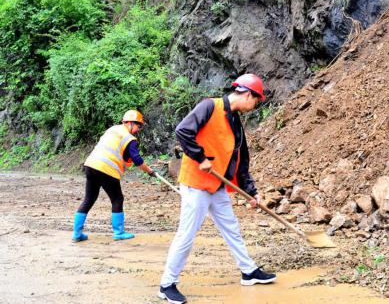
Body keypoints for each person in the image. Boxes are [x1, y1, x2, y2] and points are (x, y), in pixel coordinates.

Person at [158, 74, 276, 304]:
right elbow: (183, 131)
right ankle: (167, 284)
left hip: (218, 185)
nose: (254, 106)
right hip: (196, 184)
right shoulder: (210, 106)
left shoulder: (236, 124)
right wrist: (200, 156)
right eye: (256, 100)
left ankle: (248, 271)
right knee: (187, 234)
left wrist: (252, 192)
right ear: (247, 94)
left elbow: (241, 163)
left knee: (232, 229)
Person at [71, 110, 156, 242]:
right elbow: (137, 160)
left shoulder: (112, 130)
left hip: (90, 165)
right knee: (117, 199)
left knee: (89, 199)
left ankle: (77, 233)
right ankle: (118, 232)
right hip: (106, 170)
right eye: (138, 126)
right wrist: (149, 171)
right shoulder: (129, 139)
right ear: (130, 123)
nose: (138, 130)